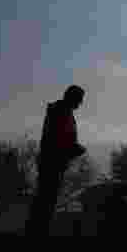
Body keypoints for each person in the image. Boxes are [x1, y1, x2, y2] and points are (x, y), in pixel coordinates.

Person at [24, 85, 87, 239]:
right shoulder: (61, 112)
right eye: (79, 99)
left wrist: (72, 148)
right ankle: (36, 234)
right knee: (46, 198)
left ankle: (37, 232)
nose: (80, 103)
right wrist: (73, 149)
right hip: (52, 161)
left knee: (46, 198)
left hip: (55, 160)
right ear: (72, 97)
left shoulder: (63, 112)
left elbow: (61, 138)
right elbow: (57, 139)